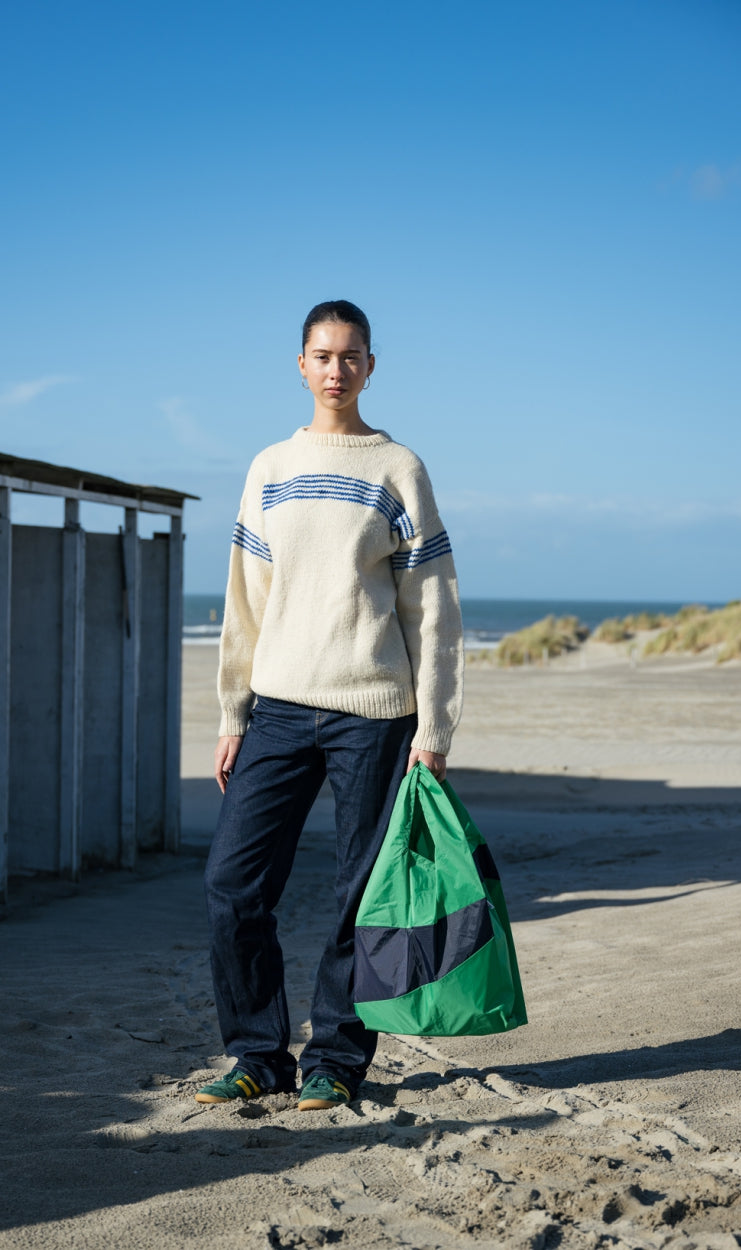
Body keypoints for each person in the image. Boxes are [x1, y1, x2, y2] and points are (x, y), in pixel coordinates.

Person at [196, 299, 463, 1111]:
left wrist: (432, 730)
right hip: (277, 708)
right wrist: (232, 715)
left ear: (370, 367)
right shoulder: (270, 467)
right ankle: (256, 1054)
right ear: (301, 365)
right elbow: (245, 601)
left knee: (360, 892)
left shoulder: (397, 468)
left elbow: (432, 609)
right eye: (322, 355)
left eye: (351, 356)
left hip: (373, 713)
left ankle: (336, 1060)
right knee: (232, 885)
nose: (336, 370)